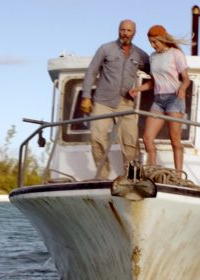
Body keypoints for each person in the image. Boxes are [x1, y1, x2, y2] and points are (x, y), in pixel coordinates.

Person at [81, 19, 150, 179]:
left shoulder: (140, 55)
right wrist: (86, 96)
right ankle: (102, 176)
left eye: (129, 30)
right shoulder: (105, 49)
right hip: (102, 102)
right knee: (97, 138)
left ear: (134, 33)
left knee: (130, 141)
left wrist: (144, 88)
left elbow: (156, 74)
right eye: (122, 30)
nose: (125, 33)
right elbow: (91, 71)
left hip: (125, 103)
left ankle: (131, 177)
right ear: (118, 30)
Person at [129, 24, 190, 175]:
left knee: (174, 139)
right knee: (147, 137)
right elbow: (154, 82)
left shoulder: (176, 54)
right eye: (150, 42)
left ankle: (178, 175)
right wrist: (137, 89)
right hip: (158, 100)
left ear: (162, 39)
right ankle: (152, 171)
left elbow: (186, 79)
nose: (152, 45)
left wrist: (182, 88)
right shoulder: (153, 57)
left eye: (155, 42)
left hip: (174, 99)